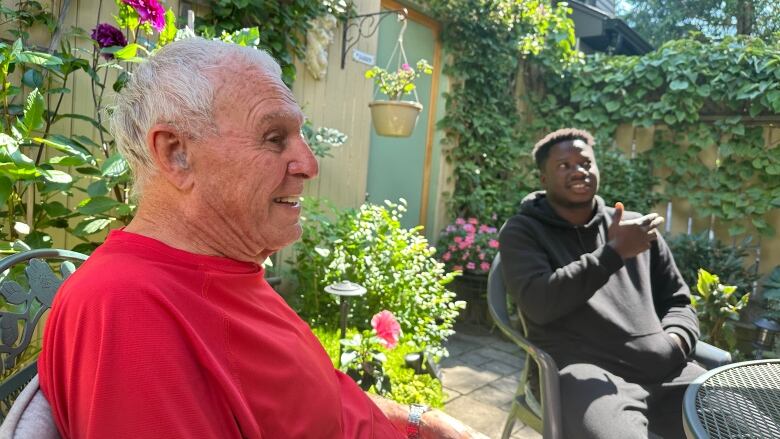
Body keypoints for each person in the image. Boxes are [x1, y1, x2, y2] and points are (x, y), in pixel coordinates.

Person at [38, 37, 484, 439]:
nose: (309, 164)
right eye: (275, 138)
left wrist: (414, 420)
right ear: (177, 154)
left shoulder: (226, 267)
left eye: (300, 135)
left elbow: (311, 403)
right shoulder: (128, 308)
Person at [498, 128, 705, 439]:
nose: (578, 170)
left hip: (667, 372)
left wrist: (674, 341)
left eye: (585, 162)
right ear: (543, 179)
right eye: (564, 165)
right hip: (585, 378)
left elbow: (678, 300)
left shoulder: (634, 229)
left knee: (744, 421)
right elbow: (539, 303)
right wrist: (614, 253)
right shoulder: (522, 232)